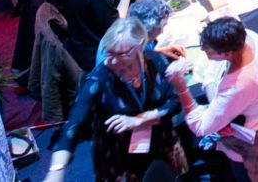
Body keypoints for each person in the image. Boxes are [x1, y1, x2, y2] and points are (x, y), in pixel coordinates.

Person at [164, 16, 258, 181]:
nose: (204, 51)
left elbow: (201, 126)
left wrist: (181, 88)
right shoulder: (249, 37)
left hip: (257, 142)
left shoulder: (239, 85)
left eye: (208, 49)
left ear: (228, 53)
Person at [42, 19, 183, 182]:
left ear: (140, 46)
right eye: (110, 53)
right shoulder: (98, 80)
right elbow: (73, 126)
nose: (114, 61)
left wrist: (140, 120)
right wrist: (56, 171)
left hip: (160, 142)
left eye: (122, 54)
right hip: (120, 160)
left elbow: (175, 102)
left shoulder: (155, 60)